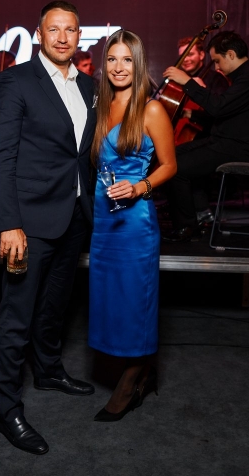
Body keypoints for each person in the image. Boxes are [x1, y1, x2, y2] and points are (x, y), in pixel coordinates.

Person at [0, 0, 97, 455]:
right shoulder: (16, 81)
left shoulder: (88, 85)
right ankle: (7, 409)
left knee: (55, 306)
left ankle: (48, 371)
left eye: (70, 29)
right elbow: (0, 158)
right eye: (54, 29)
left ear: (79, 36)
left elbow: (83, 153)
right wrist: (10, 223)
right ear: (39, 34)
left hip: (75, 216)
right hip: (30, 222)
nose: (62, 37)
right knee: (16, 317)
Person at [88, 29, 176, 422]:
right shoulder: (100, 106)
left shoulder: (151, 109)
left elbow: (170, 165)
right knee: (111, 298)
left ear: (138, 64)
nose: (119, 67)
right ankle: (137, 369)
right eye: (112, 59)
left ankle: (133, 378)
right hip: (103, 219)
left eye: (127, 59)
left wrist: (141, 186)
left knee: (136, 299)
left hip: (135, 222)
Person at [162, 30, 249, 242]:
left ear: (231, 54)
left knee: (174, 168)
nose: (216, 67)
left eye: (217, 61)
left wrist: (187, 82)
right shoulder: (240, 77)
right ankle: (192, 220)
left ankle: (187, 228)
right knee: (170, 157)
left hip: (236, 147)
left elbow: (218, 107)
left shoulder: (246, 77)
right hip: (222, 141)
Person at [173, 37, 230, 225]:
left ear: (202, 55)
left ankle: (199, 211)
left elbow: (220, 114)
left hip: (210, 135)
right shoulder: (177, 82)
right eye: (182, 56)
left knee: (183, 160)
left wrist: (192, 114)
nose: (186, 60)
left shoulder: (215, 79)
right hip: (185, 134)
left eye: (190, 54)